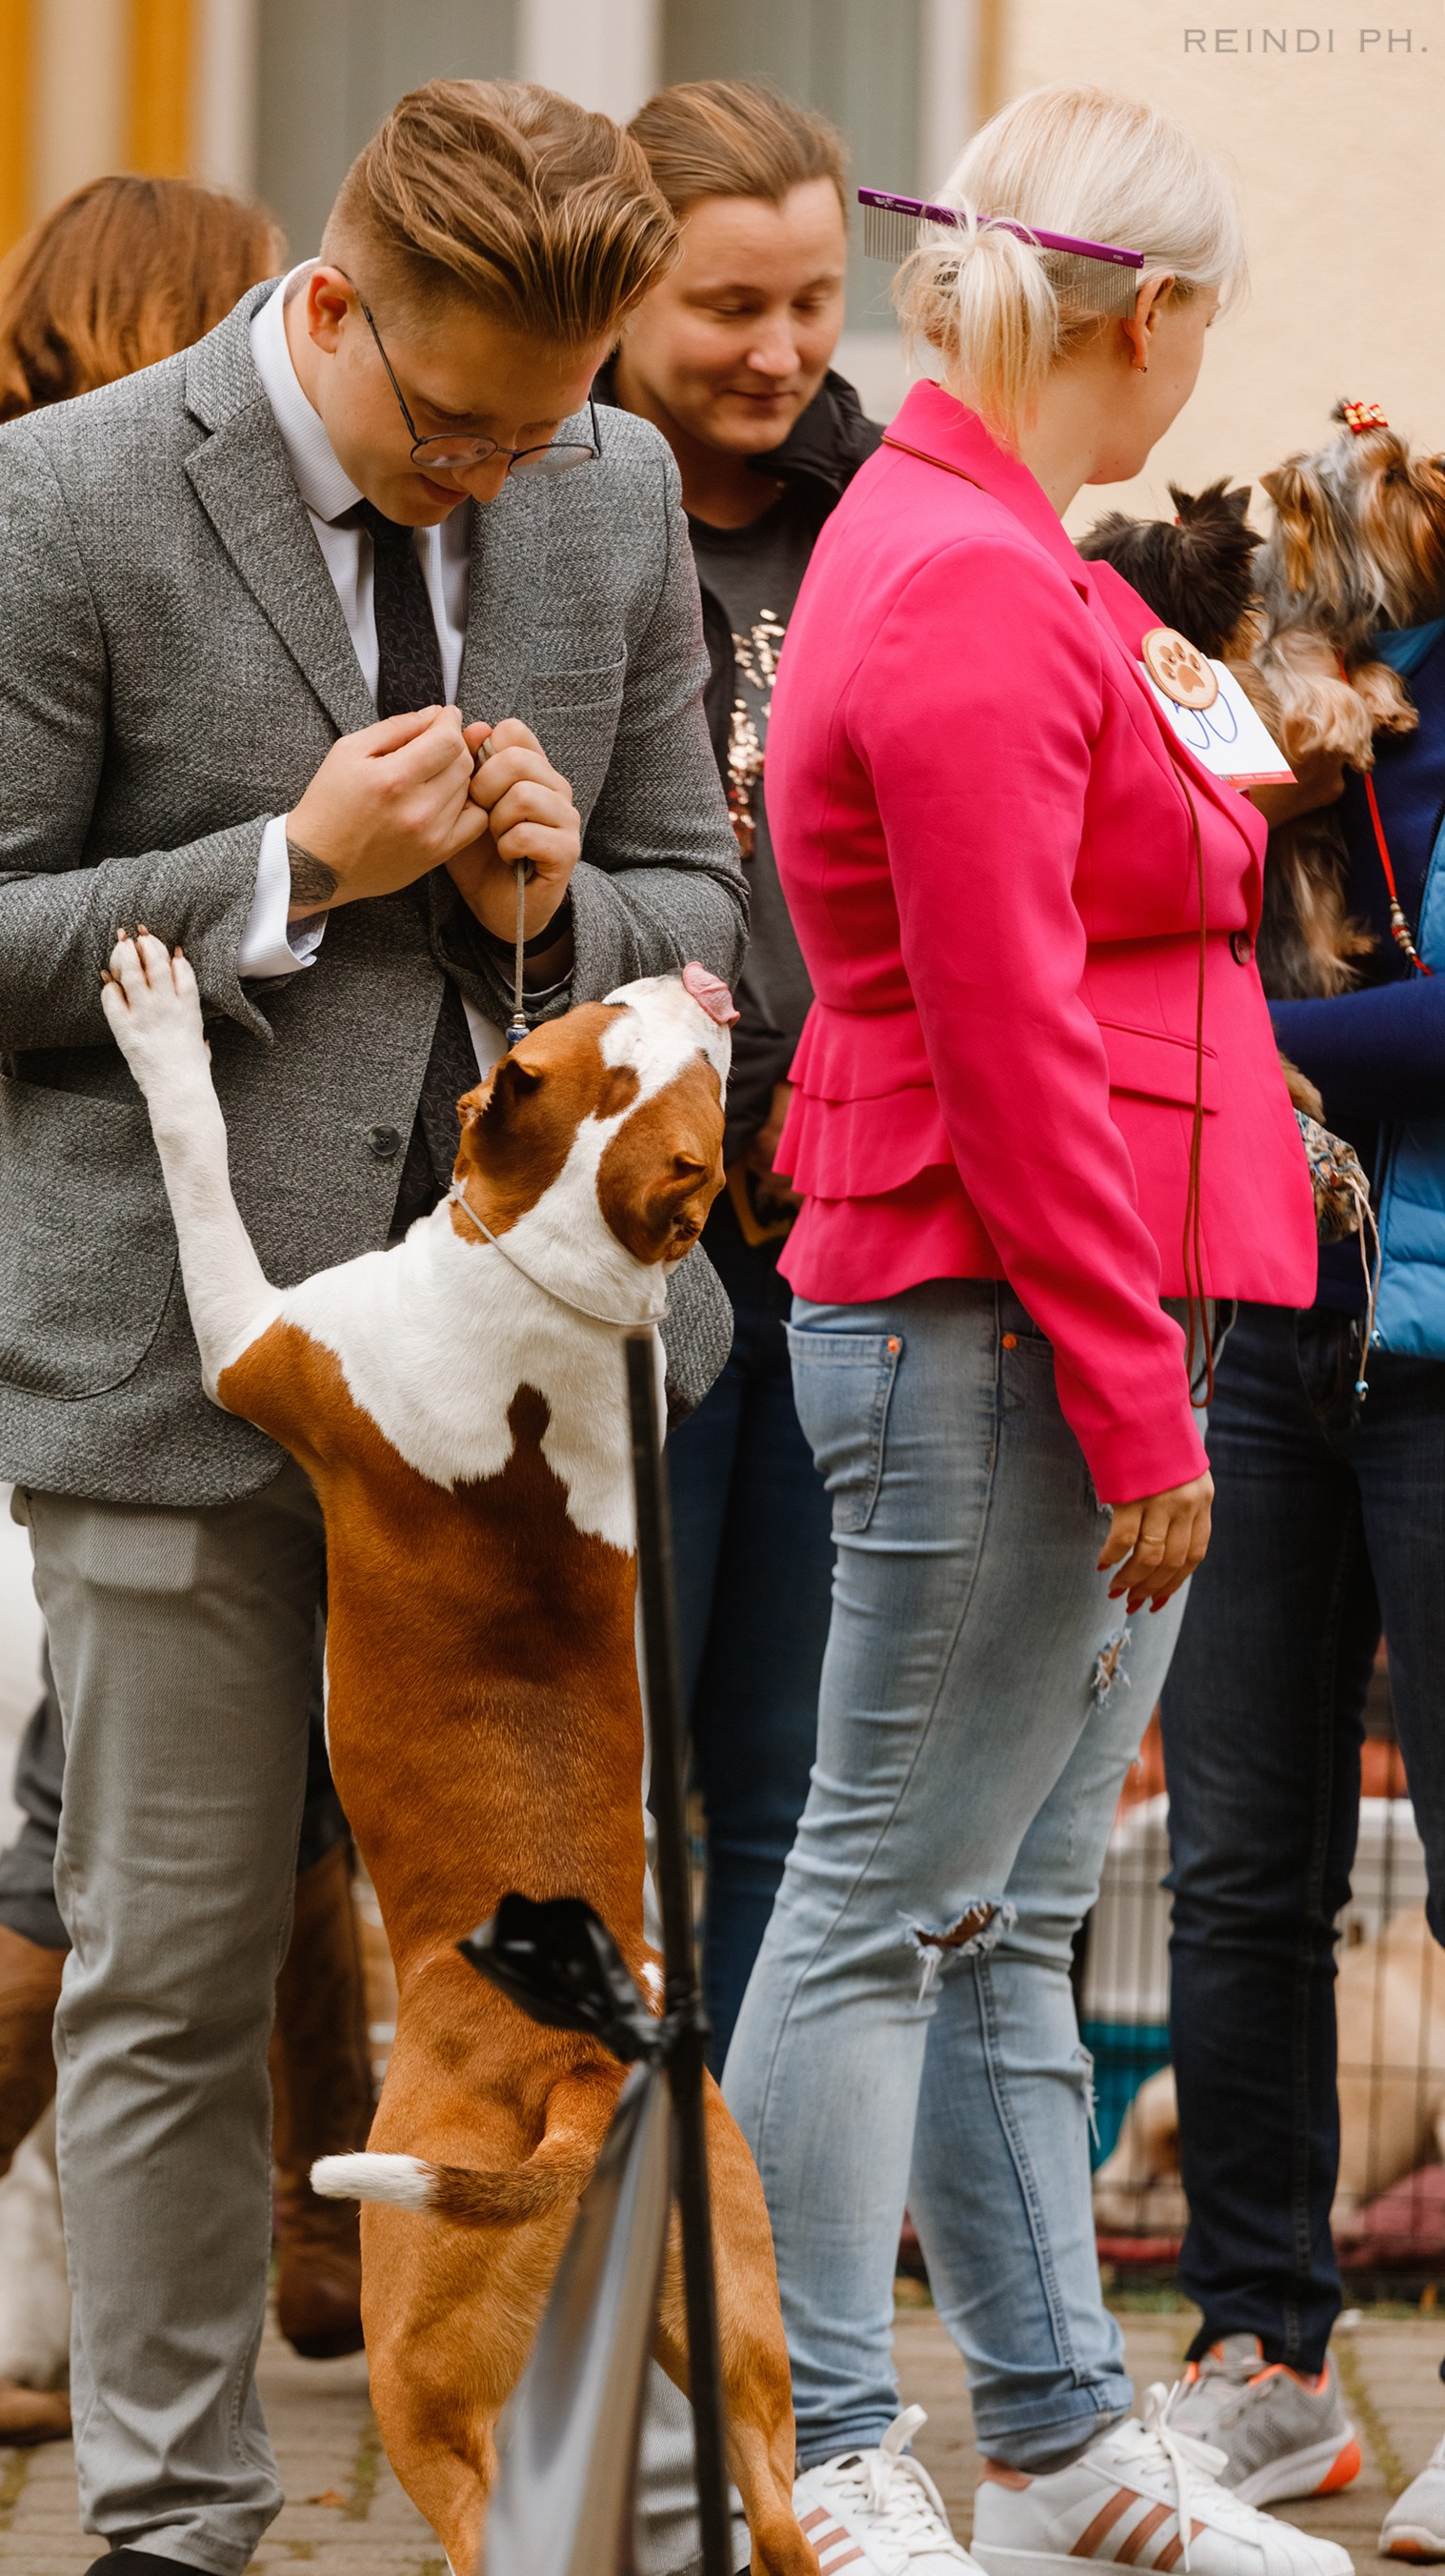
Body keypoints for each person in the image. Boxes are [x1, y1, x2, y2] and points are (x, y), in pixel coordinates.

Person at [0, 79, 747, 2576]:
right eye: (454, 427)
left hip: (534, 1421)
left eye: (544, 431)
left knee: (595, 1974)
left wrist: (550, 888)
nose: (502, 480)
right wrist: (287, 871)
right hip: (167, 1356)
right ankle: (167, 2532)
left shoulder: (597, 486)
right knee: (162, 1962)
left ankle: (651, 2538)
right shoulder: (62, 497)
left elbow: (713, 913)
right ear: (335, 307)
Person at [643, 82, 1357, 2576]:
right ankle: (811, 2445)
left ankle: (1049, 2433)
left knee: (1006, 1908)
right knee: (881, 1895)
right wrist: (1134, 1387)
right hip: (995, 1298)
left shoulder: (991, 550)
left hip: (1078, 1294)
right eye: (1204, 329)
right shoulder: (947, 572)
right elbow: (1004, 1012)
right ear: (1142, 313)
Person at [0, 175, 377, 2441]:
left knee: (271, 1738)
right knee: (112, 1773)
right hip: (39, 1187)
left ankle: (324, 2241)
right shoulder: (3, 552)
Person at [1159, 600, 1445, 2562]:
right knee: (1236, 1860)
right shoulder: (1334, 666)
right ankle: (1260, 2355)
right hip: (1265, 1328)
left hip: (1441, 1348)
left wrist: (1213, 1039)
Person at [609, 77, 878, 2070]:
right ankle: (576, 2248)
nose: (780, 352)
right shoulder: (530, 515)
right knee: (602, 1768)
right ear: (621, 290)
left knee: (787, 1777)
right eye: (727, 305)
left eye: (813, 303)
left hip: (842, 1235)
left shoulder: (880, 525)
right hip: (613, 1231)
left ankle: (739, 2248)